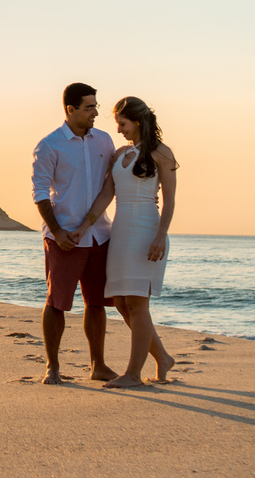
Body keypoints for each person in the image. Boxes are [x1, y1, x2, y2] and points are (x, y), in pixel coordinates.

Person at [73, 96, 178, 388]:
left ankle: (133, 374)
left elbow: (169, 202)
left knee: (137, 303)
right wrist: (85, 225)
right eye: (117, 123)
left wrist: (160, 235)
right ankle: (164, 358)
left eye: (123, 123)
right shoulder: (120, 154)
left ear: (139, 121)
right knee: (120, 302)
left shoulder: (162, 153)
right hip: (120, 232)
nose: (119, 129)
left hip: (147, 230)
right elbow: (107, 194)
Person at [31, 82, 118, 385]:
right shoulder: (50, 145)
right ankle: (52, 366)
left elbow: (117, 179)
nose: (96, 112)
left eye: (95, 105)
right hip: (64, 237)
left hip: (100, 234)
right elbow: (40, 192)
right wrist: (57, 231)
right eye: (89, 107)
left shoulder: (105, 141)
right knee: (57, 302)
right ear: (71, 109)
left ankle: (98, 365)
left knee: (96, 302)